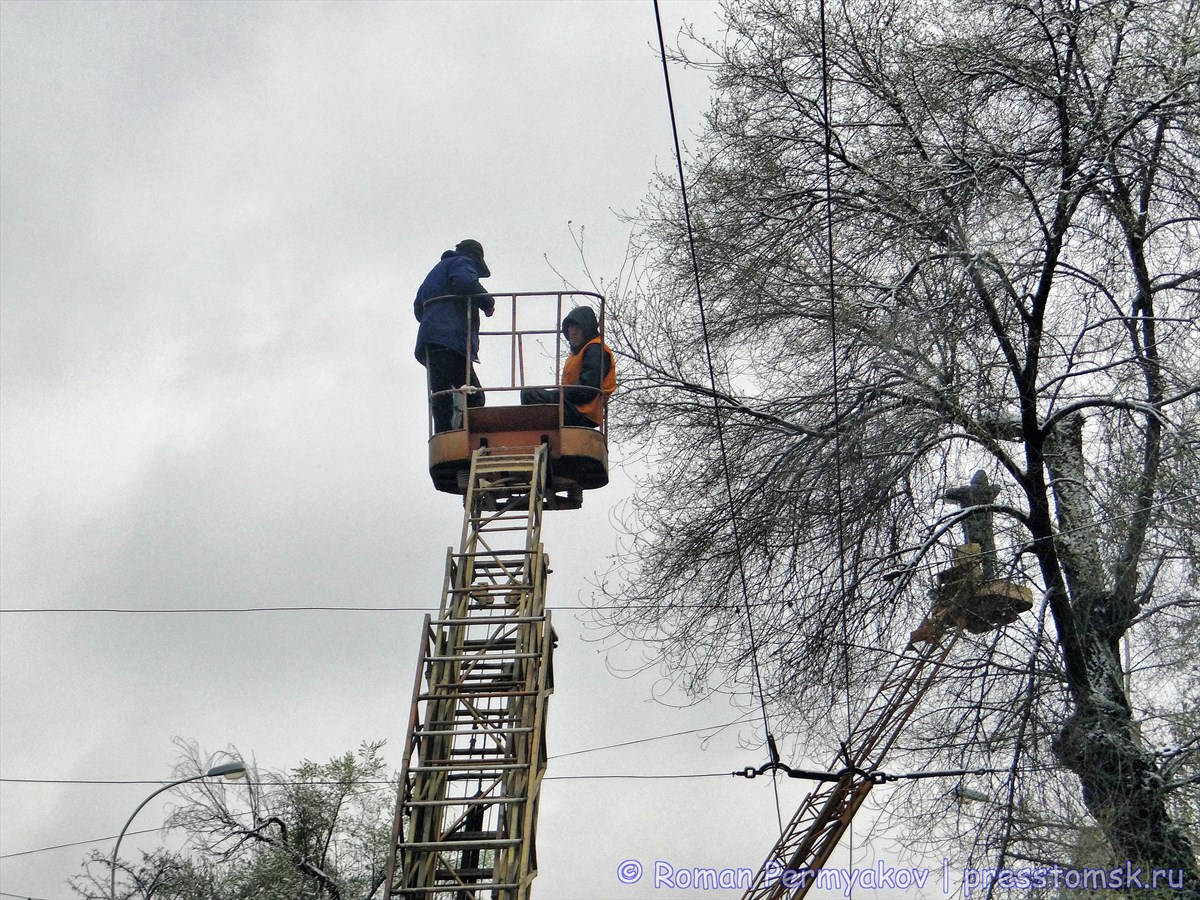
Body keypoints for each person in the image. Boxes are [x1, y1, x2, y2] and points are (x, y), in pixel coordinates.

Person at [413, 239, 495, 433]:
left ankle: (445, 437)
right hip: (450, 342)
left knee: (442, 397)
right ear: (475, 257)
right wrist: (487, 302)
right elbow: (464, 283)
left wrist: (435, 322)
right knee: (474, 395)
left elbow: (418, 307)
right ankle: (467, 437)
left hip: (429, 343)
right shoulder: (462, 262)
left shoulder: (435, 272)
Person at [521, 305, 616, 427]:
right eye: (571, 327)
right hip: (575, 408)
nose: (573, 332)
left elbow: (587, 390)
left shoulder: (595, 350)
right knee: (529, 395)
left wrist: (555, 395)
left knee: (530, 395)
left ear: (587, 329)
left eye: (578, 328)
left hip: (582, 412)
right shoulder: (578, 352)